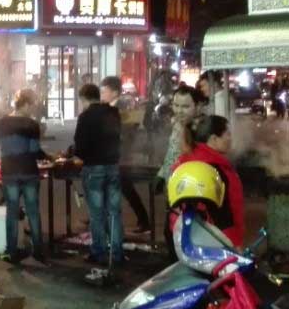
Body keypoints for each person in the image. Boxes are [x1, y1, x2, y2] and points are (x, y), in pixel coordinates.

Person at [0, 88, 48, 265]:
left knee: (12, 212)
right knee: (33, 212)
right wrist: (49, 157)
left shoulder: (0, 123)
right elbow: (34, 150)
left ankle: (11, 252)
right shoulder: (32, 125)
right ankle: (38, 251)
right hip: (29, 172)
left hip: (9, 173)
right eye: (32, 105)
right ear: (26, 104)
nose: (33, 109)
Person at [173, 115, 244, 247]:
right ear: (214, 139)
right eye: (227, 134)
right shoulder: (212, 168)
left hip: (188, 239)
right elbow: (221, 213)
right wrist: (233, 246)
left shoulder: (189, 160)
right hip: (212, 243)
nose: (230, 138)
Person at [73, 84, 124, 266]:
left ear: (84, 98)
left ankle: (99, 252)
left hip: (94, 168)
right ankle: (117, 253)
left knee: (96, 214)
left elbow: (79, 148)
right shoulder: (113, 112)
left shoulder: (85, 116)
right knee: (114, 212)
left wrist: (79, 155)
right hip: (113, 167)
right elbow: (119, 138)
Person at [100, 76, 151, 234]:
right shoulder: (109, 106)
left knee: (126, 189)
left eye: (104, 91)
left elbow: (128, 129)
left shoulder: (122, 106)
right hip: (113, 154)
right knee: (112, 188)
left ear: (115, 92)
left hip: (120, 155)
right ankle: (101, 217)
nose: (101, 94)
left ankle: (143, 221)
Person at [157, 84, 202, 256]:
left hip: (189, 192)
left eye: (185, 106)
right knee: (170, 233)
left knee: (183, 237)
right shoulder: (177, 125)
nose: (179, 110)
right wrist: (162, 174)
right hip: (173, 189)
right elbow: (171, 154)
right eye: (176, 105)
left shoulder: (200, 129)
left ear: (197, 106)